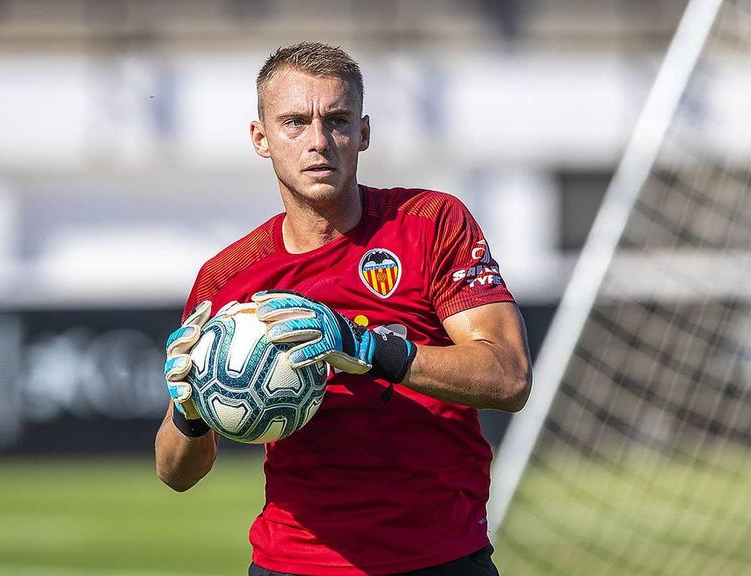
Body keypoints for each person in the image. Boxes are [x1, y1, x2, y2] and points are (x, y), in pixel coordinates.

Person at [155, 41, 532, 576]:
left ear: (364, 132)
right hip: (293, 563)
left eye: (336, 120)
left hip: (441, 559)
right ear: (260, 138)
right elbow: (175, 473)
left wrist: (363, 346)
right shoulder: (228, 278)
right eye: (294, 122)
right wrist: (190, 410)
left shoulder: (430, 222)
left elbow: (509, 377)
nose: (318, 142)